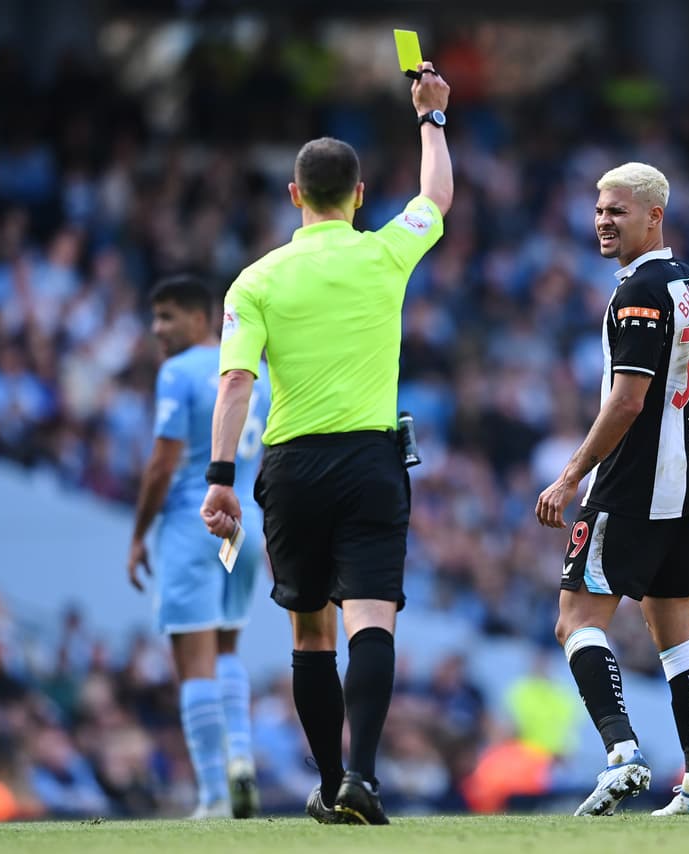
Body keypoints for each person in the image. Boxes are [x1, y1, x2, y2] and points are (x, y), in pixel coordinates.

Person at [200, 61, 452, 826]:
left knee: (310, 630)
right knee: (370, 618)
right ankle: (363, 778)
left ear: (294, 195)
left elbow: (235, 384)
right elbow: (437, 197)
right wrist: (431, 117)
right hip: (371, 461)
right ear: (360, 195)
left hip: (292, 467)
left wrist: (220, 477)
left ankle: (332, 779)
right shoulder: (384, 253)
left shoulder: (255, 281)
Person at [535, 161, 689, 817]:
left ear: (653, 216)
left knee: (575, 618)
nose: (603, 222)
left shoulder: (638, 292)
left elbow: (628, 400)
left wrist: (570, 475)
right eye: (599, 211)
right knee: (676, 633)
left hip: (634, 484)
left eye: (617, 210)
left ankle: (621, 752)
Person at [126, 275, 271, 819]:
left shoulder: (179, 372)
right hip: (244, 527)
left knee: (194, 664)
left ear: (199, 317)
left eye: (167, 316)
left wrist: (139, 534)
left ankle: (213, 794)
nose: (157, 329)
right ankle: (241, 760)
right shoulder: (257, 373)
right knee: (227, 649)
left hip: (195, 525)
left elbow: (163, 463)